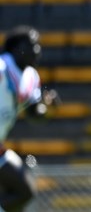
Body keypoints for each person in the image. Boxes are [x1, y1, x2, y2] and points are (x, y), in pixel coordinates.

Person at [0, 25, 58, 212]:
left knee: (24, 191)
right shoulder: (2, 68)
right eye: (32, 45)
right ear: (16, 48)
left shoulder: (31, 77)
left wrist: (48, 108)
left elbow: (34, 114)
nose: (37, 50)